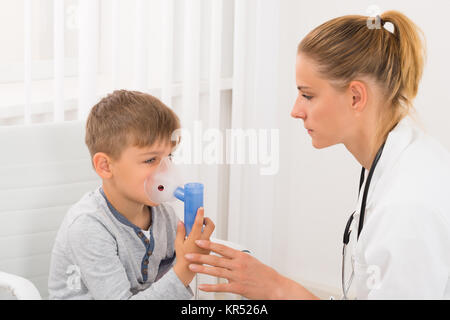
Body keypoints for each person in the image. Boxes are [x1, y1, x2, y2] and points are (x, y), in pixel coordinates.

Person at [185, 10, 450, 299]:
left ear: (355, 97)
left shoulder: (407, 207)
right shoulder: (395, 158)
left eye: (307, 95)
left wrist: (279, 289)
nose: (295, 110)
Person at [48, 90, 214, 299]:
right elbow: (178, 278)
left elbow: (171, 287)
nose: (165, 171)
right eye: (150, 160)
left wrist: (192, 251)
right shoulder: (88, 226)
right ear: (106, 166)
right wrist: (185, 269)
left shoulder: (164, 216)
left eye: (168, 157)